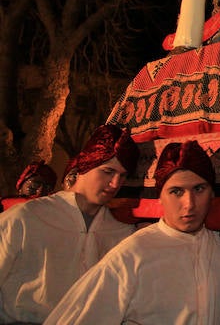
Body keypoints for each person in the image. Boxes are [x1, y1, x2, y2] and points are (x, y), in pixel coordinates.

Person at [45, 139, 220, 324]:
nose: (189, 204)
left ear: (212, 193)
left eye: (199, 189)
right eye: (176, 191)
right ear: (160, 197)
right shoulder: (134, 254)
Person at [0, 124, 139, 323]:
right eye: (108, 171)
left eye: (122, 175)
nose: (115, 183)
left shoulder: (121, 232)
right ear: (85, 165)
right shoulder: (26, 217)